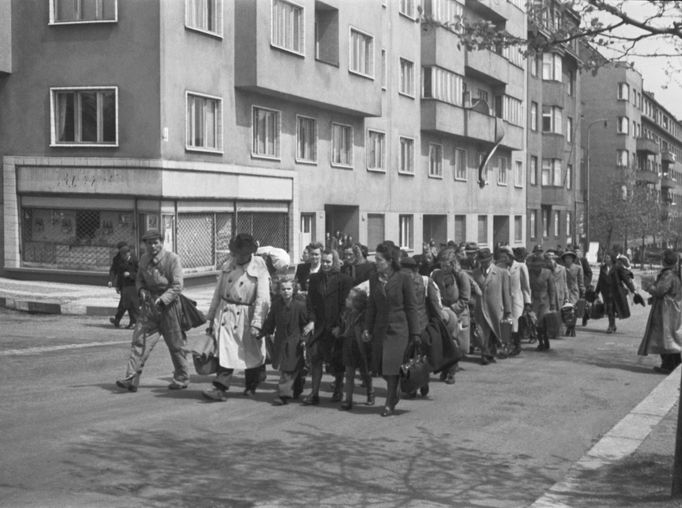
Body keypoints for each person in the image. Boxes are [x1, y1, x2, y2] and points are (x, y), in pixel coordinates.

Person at [115, 229, 188, 392]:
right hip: (149, 308)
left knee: (176, 345)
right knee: (139, 342)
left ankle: (182, 377)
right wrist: (141, 290)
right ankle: (131, 378)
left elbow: (178, 286)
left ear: (161, 242)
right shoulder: (143, 259)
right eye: (148, 243)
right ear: (144, 245)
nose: (152, 246)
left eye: (155, 242)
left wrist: (163, 299)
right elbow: (139, 278)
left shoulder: (172, 259)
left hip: (169, 307)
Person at [202, 233, 271, 401]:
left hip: (247, 315)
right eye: (237, 252)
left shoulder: (259, 266)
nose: (239, 256)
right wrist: (211, 317)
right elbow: (218, 293)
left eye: (243, 253)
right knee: (225, 352)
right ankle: (220, 388)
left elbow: (263, 298)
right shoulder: (228, 265)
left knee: (250, 353)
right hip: (226, 314)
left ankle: (252, 385)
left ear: (250, 253)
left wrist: (257, 322)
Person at [363, 241, 420, 417]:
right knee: (381, 367)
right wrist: (367, 328)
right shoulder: (374, 279)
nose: (376, 262)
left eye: (379, 259)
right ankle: (394, 392)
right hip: (380, 328)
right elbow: (371, 306)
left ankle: (389, 401)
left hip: (399, 329)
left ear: (389, 261)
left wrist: (415, 333)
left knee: (392, 366)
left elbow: (411, 307)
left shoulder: (403, 278)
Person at [301, 249, 353, 405]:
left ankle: (338, 389)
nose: (324, 264)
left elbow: (346, 306)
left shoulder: (345, 280)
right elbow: (310, 302)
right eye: (323, 261)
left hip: (336, 326)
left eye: (328, 261)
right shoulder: (314, 279)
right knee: (315, 358)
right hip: (319, 325)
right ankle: (314, 393)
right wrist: (311, 320)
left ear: (335, 262)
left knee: (337, 360)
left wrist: (340, 326)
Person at [260, 276, 310, 405]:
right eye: (283, 289)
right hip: (281, 340)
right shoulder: (276, 305)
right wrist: (262, 332)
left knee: (288, 368)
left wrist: (305, 338)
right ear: (279, 290)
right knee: (291, 367)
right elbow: (270, 321)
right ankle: (297, 388)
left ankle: (284, 395)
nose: (286, 291)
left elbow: (306, 324)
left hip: (295, 341)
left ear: (293, 289)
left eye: (288, 288)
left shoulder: (300, 305)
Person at [638, 249, 682, 374]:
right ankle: (673, 364)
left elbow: (659, 290)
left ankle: (669, 365)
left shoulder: (668, 274)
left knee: (665, 337)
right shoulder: (673, 273)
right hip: (672, 310)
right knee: (671, 337)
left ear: (664, 261)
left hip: (666, 312)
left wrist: (647, 285)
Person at [430, 247, 469, 381]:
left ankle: (451, 372)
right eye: (441, 263)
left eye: (445, 263)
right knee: (442, 342)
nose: (442, 266)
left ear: (452, 263)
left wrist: (454, 308)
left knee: (454, 342)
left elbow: (465, 298)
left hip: (457, 313)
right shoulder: (436, 275)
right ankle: (445, 369)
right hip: (442, 312)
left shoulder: (461, 276)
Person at [471, 248, 512, 364]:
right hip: (480, 307)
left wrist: (508, 310)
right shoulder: (475, 273)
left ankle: (491, 352)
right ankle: (484, 353)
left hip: (495, 307)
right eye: (482, 261)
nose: (484, 263)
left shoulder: (501, 272)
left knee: (494, 331)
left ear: (491, 259)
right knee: (482, 331)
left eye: (486, 261)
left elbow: (506, 292)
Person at [338, 286, 375, 410]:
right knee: (349, 374)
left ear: (357, 302)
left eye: (349, 298)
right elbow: (344, 328)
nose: (346, 299)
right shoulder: (346, 313)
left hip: (362, 347)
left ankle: (370, 392)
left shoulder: (364, 315)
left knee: (365, 373)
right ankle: (348, 399)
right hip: (349, 345)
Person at [497, 245, 531, 356]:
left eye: (505, 256)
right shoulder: (499, 267)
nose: (503, 259)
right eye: (501, 257)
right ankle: (507, 345)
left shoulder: (520, 266)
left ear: (510, 256)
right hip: (503, 299)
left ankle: (516, 345)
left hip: (516, 299)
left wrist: (527, 302)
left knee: (514, 322)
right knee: (505, 323)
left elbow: (526, 286)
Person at [595, 251, 636, 334]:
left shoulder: (617, 267)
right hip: (606, 292)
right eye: (605, 257)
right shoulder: (602, 268)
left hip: (616, 291)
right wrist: (596, 292)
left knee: (612, 309)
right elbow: (600, 281)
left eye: (608, 257)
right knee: (610, 309)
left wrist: (632, 289)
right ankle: (612, 325)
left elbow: (625, 279)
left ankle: (612, 325)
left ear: (612, 259)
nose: (606, 259)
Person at [527, 253, 557, 351]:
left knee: (542, 321)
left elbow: (552, 289)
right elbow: (528, 288)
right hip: (534, 300)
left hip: (545, 300)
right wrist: (528, 302)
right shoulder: (530, 273)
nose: (537, 268)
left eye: (539, 265)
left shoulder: (548, 273)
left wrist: (552, 303)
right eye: (535, 266)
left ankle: (546, 340)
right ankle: (540, 341)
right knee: (535, 322)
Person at [108, 242, 139, 329]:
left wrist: (130, 274)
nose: (122, 255)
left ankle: (125, 320)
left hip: (133, 286)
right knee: (126, 303)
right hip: (124, 285)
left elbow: (140, 273)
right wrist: (114, 282)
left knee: (129, 304)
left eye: (125, 252)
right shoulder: (118, 259)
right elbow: (115, 271)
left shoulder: (135, 260)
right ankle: (131, 321)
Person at [561, 250, 585, 336]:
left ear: (573, 259)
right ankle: (568, 327)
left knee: (573, 310)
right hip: (564, 290)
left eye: (570, 258)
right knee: (565, 310)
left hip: (574, 291)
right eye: (566, 258)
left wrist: (583, 290)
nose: (568, 260)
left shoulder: (578, 268)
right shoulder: (561, 268)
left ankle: (573, 328)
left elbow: (580, 281)